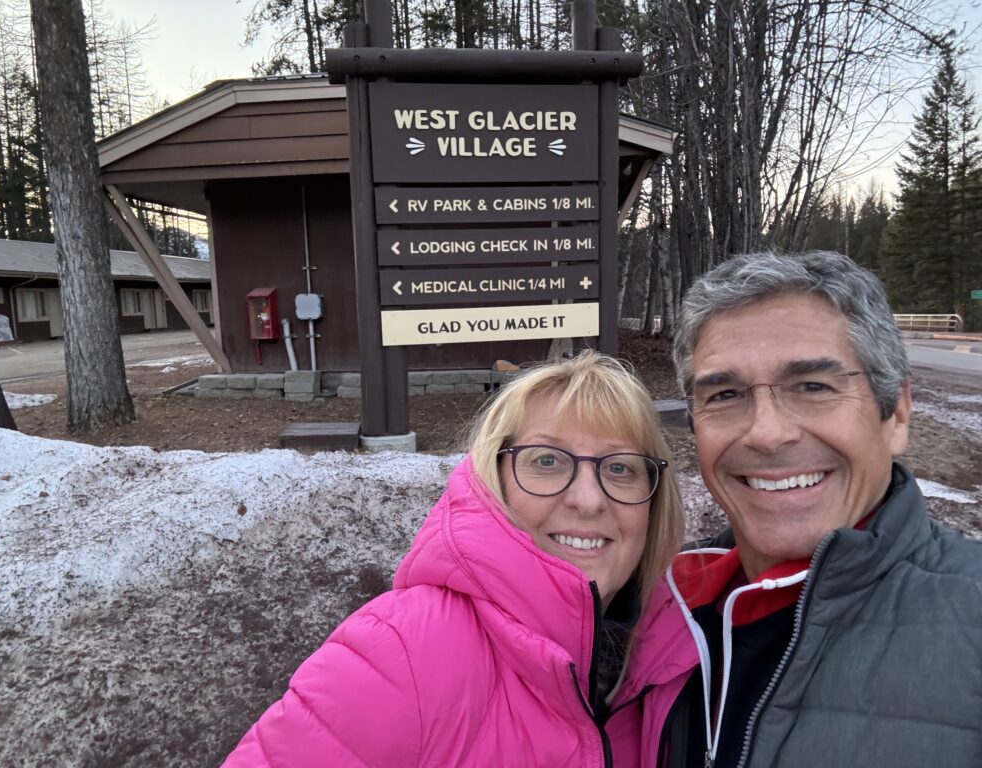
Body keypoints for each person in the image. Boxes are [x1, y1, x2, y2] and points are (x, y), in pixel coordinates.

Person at [222, 352, 698, 767]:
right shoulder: (403, 651)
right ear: (494, 481)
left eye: (620, 468)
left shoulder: (677, 656)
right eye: (546, 461)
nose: (589, 500)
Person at [660, 250, 982, 767]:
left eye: (812, 386)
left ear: (896, 414)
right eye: (724, 394)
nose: (767, 432)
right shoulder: (659, 616)